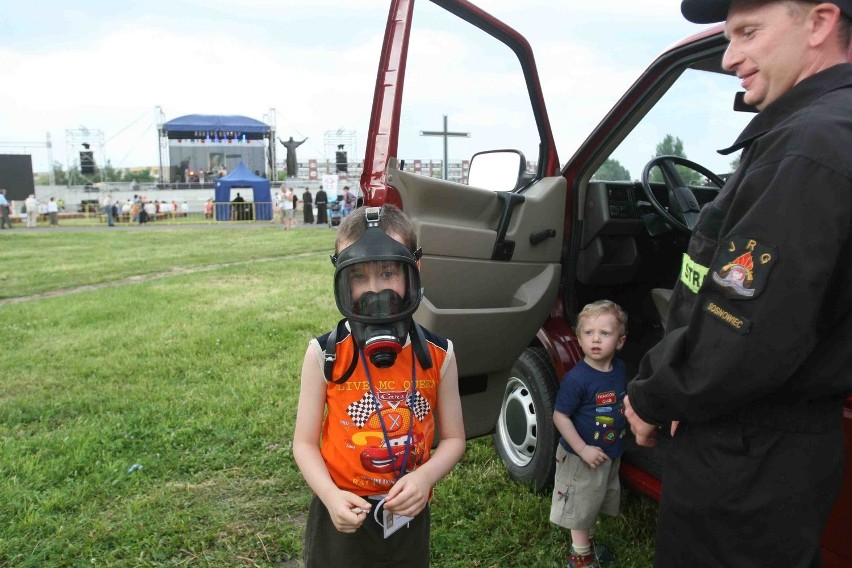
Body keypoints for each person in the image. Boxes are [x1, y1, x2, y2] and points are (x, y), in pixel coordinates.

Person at [623, 2, 852, 567]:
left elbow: (743, 331)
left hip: (746, 453)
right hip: (784, 447)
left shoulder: (808, 147)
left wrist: (652, 396)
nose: (730, 58)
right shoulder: (823, 129)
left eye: (749, 32)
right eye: (728, 37)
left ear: (819, 23)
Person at [293, 204, 465, 568]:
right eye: (359, 276)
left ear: (413, 272)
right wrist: (329, 496)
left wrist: (425, 477)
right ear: (341, 278)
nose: (375, 290)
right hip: (341, 510)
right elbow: (303, 444)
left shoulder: (438, 355)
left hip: (407, 509)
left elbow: (454, 439)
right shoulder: (324, 354)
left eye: (388, 272)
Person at [550, 300, 627, 568]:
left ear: (620, 341)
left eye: (605, 334)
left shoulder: (620, 370)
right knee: (579, 508)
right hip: (579, 458)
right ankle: (580, 557)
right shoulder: (577, 379)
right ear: (579, 339)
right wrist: (582, 449)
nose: (596, 339)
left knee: (591, 503)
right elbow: (560, 416)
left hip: (606, 454)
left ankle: (588, 545)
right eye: (588, 333)